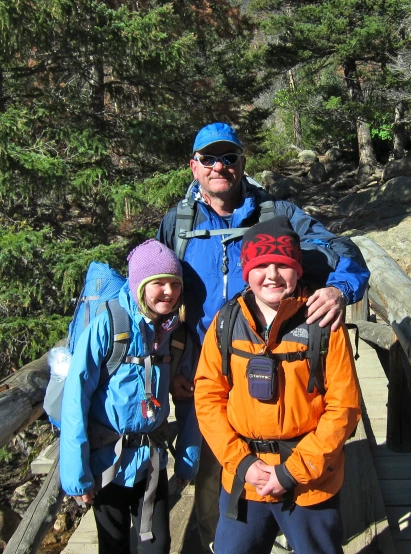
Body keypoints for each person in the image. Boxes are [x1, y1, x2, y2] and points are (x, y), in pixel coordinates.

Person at [155, 122, 370, 550]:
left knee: (290, 490)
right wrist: (170, 362)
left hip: (285, 364)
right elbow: (157, 297)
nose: (220, 166)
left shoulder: (278, 215)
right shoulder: (176, 225)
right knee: (214, 482)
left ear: (242, 163)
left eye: (229, 157)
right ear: (193, 167)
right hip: (209, 373)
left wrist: (337, 289)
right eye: (209, 159)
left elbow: (343, 251)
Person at [193, 216, 362, 554]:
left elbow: (344, 407)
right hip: (245, 479)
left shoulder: (323, 324)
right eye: (261, 265)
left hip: (308, 481)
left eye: (282, 264)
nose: (271, 275)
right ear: (246, 271)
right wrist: (241, 463)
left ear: (298, 269)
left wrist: (291, 472)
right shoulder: (227, 321)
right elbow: (208, 396)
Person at [59, 239, 201, 554]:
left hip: (151, 461)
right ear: (139, 285)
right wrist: (76, 473)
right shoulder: (108, 325)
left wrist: (187, 463)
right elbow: (75, 397)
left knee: (156, 545)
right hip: (105, 462)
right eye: (158, 283)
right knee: (113, 546)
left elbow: (192, 401)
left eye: (174, 284)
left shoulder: (176, 334)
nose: (168, 291)